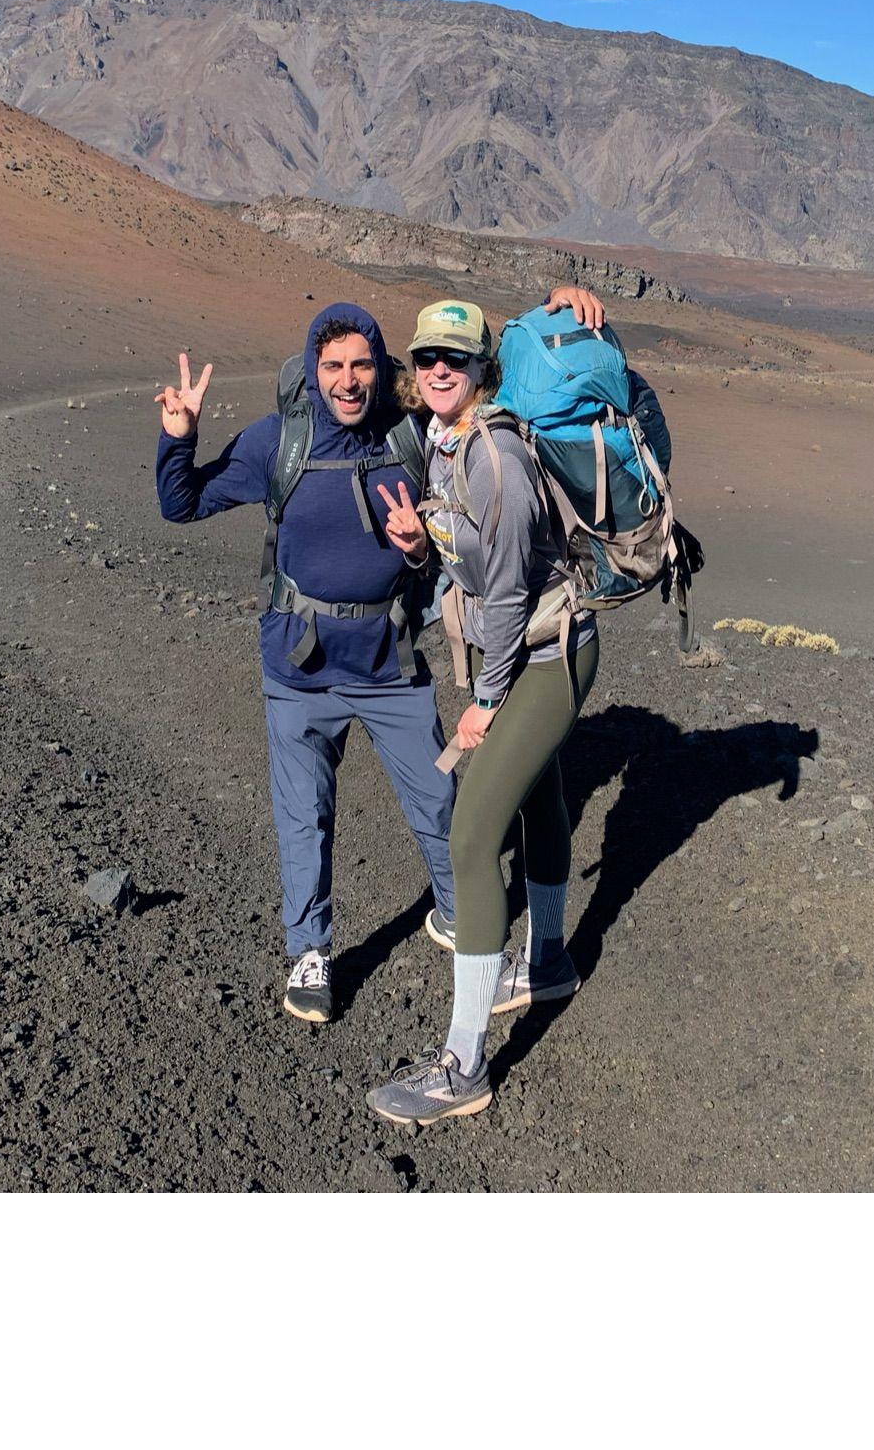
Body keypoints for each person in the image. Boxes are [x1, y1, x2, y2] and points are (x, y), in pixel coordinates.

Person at [154, 290, 600, 1026]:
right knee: (304, 815)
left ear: (380, 367)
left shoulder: (409, 434)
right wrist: (179, 435)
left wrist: (561, 306)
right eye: (332, 365)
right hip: (297, 667)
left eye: (362, 363)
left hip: (389, 663)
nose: (348, 380)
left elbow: (480, 385)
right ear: (313, 367)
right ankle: (310, 951)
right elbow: (182, 503)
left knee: (440, 805)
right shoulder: (280, 442)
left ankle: (466, 917)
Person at [366, 298, 601, 1127]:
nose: (438, 368)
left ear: (482, 370)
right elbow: (472, 557)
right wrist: (421, 542)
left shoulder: (493, 455)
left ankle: (463, 1062)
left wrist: (484, 706)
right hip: (533, 651)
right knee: (538, 795)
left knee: (471, 834)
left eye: (455, 359)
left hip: (543, 655)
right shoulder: (447, 443)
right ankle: (544, 960)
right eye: (428, 355)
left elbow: (502, 598)